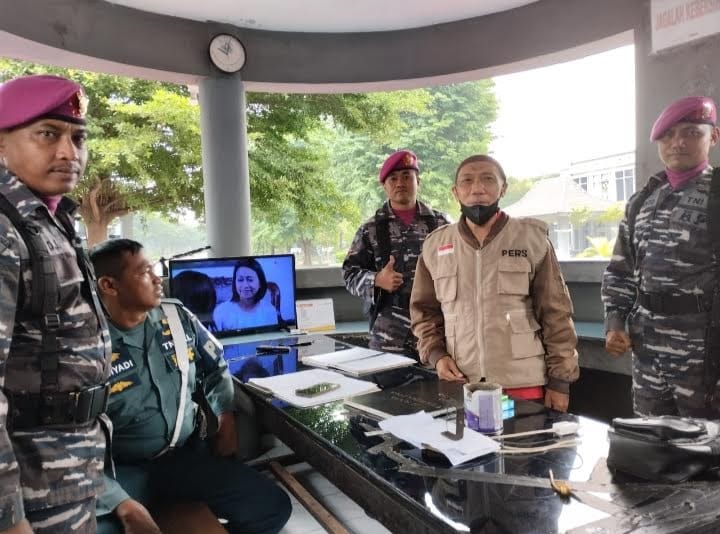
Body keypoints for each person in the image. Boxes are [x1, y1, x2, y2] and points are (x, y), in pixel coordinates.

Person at [89, 239, 291, 534]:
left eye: (154, 269)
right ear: (109, 285)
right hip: (119, 469)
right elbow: (68, 439)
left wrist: (225, 418)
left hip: (183, 457)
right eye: (144, 272)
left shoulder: (177, 317)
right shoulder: (85, 345)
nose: (158, 279)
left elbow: (215, 367)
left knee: (271, 506)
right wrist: (122, 504)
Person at [0, 74, 111, 533]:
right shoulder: (5, 229)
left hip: (66, 469)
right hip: (28, 487)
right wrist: (9, 519)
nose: (69, 152)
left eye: (78, 138)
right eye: (48, 134)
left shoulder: (50, 217)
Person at [410, 155, 579, 411]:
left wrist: (560, 382)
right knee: (466, 439)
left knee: (526, 439)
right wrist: (437, 355)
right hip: (461, 384)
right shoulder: (435, 246)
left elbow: (556, 313)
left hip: (523, 384)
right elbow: (423, 313)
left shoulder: (532, 239)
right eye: (467, 181)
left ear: (503, 188)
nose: (477, 188)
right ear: (455, 192)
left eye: (488, 179)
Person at [602, 96, 720, 418]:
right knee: (649, 438)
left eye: (692, 132)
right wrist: (615, 323)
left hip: (704, 355)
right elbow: (620, 270)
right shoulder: (642, 200)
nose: (678, 142)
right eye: (668, 135)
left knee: (704, 442)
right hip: (647, 352)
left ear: (713, 136)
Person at [342, 149, 450, 357]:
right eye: (393, 178)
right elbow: (349, 274)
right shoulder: (370, 229)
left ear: (418, 181)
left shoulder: (441, 225)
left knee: (440, 378)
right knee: (388, 378)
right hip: (388, 336)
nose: (400, 183)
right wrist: (377, 280)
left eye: (407, 176)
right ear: (385, 186)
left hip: (435, 333)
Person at [213, 258, 279, 331]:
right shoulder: (221, 311)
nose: (245, 285)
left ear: (260, 283)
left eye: (250, 280)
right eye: (240, 280)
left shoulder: (270, 311)